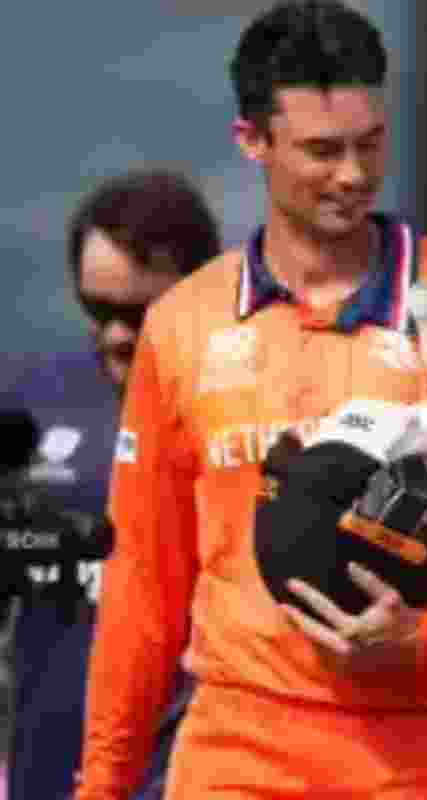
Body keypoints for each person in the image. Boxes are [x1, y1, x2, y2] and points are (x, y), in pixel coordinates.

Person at [74, 3, 427, 798]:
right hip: (236, 752)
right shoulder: (183, 323)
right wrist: (104, 784)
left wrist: (423, 636)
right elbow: (143, 589)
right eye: (321, 150)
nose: (354, 174)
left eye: (371, 144)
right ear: (253, 142)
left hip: (422, 754)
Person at [0, 169, 220, 800]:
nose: (116, 336)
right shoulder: (31, 406)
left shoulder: (244, 414)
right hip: (48, 769)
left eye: (138, 313)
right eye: (97, 312)